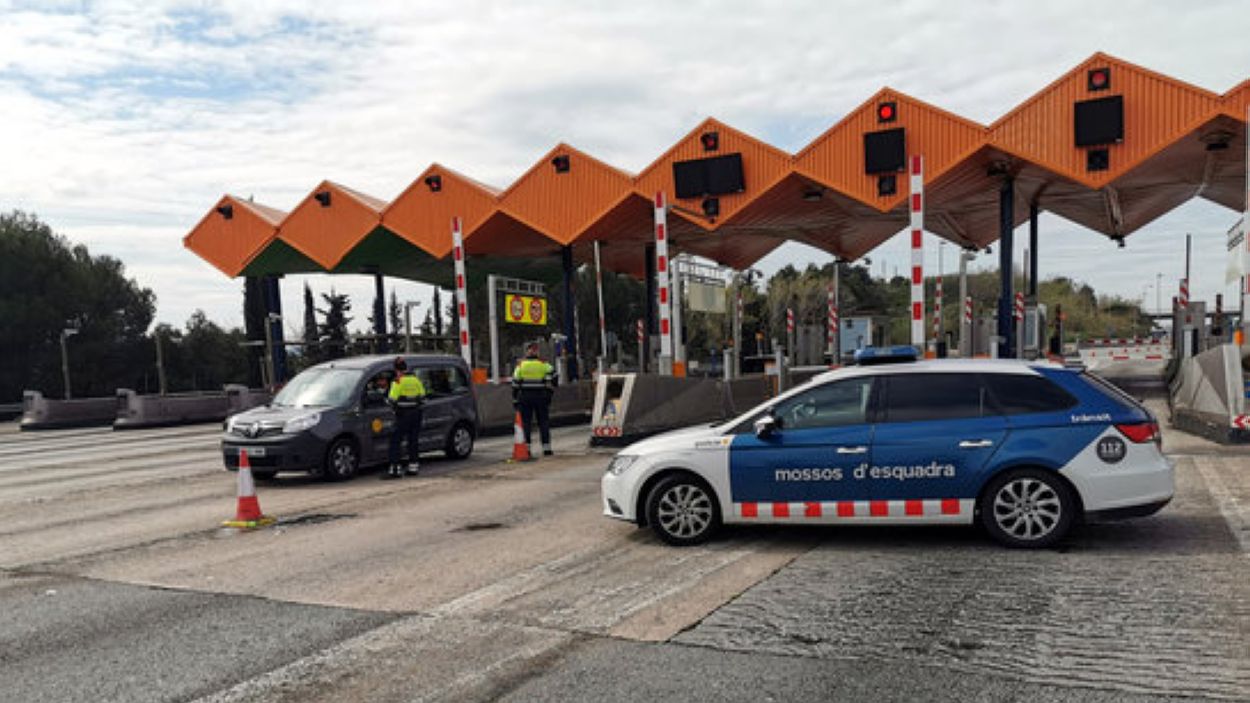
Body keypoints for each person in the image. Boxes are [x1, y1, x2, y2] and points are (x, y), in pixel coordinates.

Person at [512, 342, 557, 456]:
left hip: (525, 397)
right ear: (537, 352)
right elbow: (554, 376)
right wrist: (550, 392)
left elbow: (515, 383)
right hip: (541, 397)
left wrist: (515, 399)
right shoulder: (544, 364)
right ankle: (546, 448)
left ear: (527, 352)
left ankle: (527, 449)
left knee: (526, 423)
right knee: (543, 422)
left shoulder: (521, 365)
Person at [385, 357, 426, 479]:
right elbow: (423, 396)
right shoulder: (415, 380)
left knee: (395, 441)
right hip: (416, 414)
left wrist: (388, 401)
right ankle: (413, 467)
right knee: (413, 440)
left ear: (396, 370)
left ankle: (395, 469)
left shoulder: (398, 381)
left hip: (403, 415)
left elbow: (392, 400)